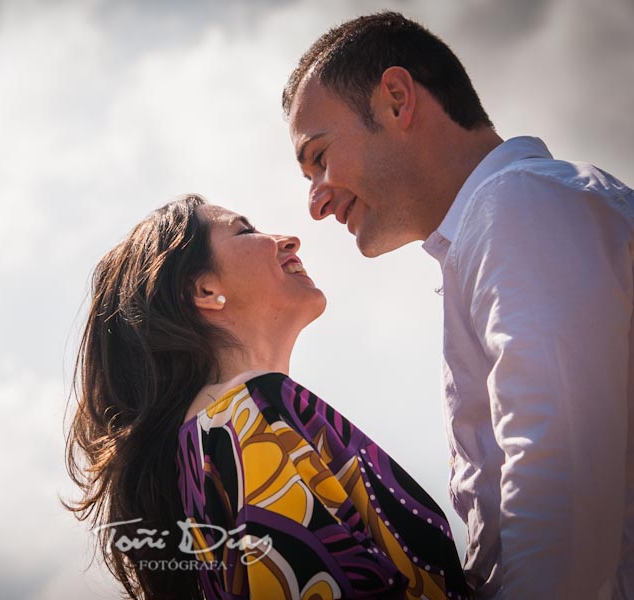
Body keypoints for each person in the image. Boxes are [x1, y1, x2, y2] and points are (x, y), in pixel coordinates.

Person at [283, 11, 633, 600]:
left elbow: (562, 498)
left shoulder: (518, 205)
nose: (315, 203)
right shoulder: (502, 222)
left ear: (397, 100)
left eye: (319, 157)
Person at [64, 194, 470, 599]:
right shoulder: (245, 418)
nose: (290, 240)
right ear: (204, 290)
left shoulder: (214, 438)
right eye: (246, 230)